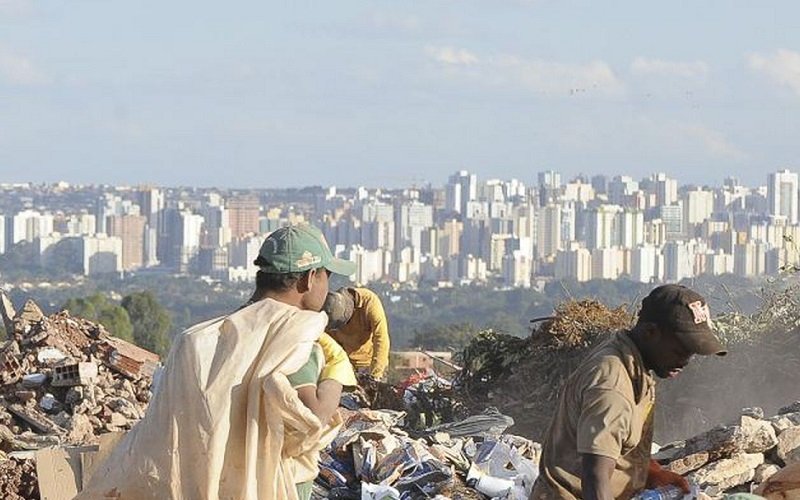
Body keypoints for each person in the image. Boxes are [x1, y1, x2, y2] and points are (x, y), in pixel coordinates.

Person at [78, 224, 357, 500]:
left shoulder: (199, 340)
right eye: (326, 276)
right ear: (309, 279)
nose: (328, 286)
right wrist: (336, 371)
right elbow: (315, 417)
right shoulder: (293, 337)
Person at [531, 284, 727, 500]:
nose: (685, 361)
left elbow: (618, 443)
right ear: (650, 332)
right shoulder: (613, 385)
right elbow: (595, 476)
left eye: (691, 353)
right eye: (680, 350)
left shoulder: (633, 363)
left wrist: (650, 473)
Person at [322, 286, 390, 380]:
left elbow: (381, 338)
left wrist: (375, 375)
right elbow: (326, 344)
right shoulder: (331, 309)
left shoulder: (369, 302)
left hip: (369, 363)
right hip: (345, 365)